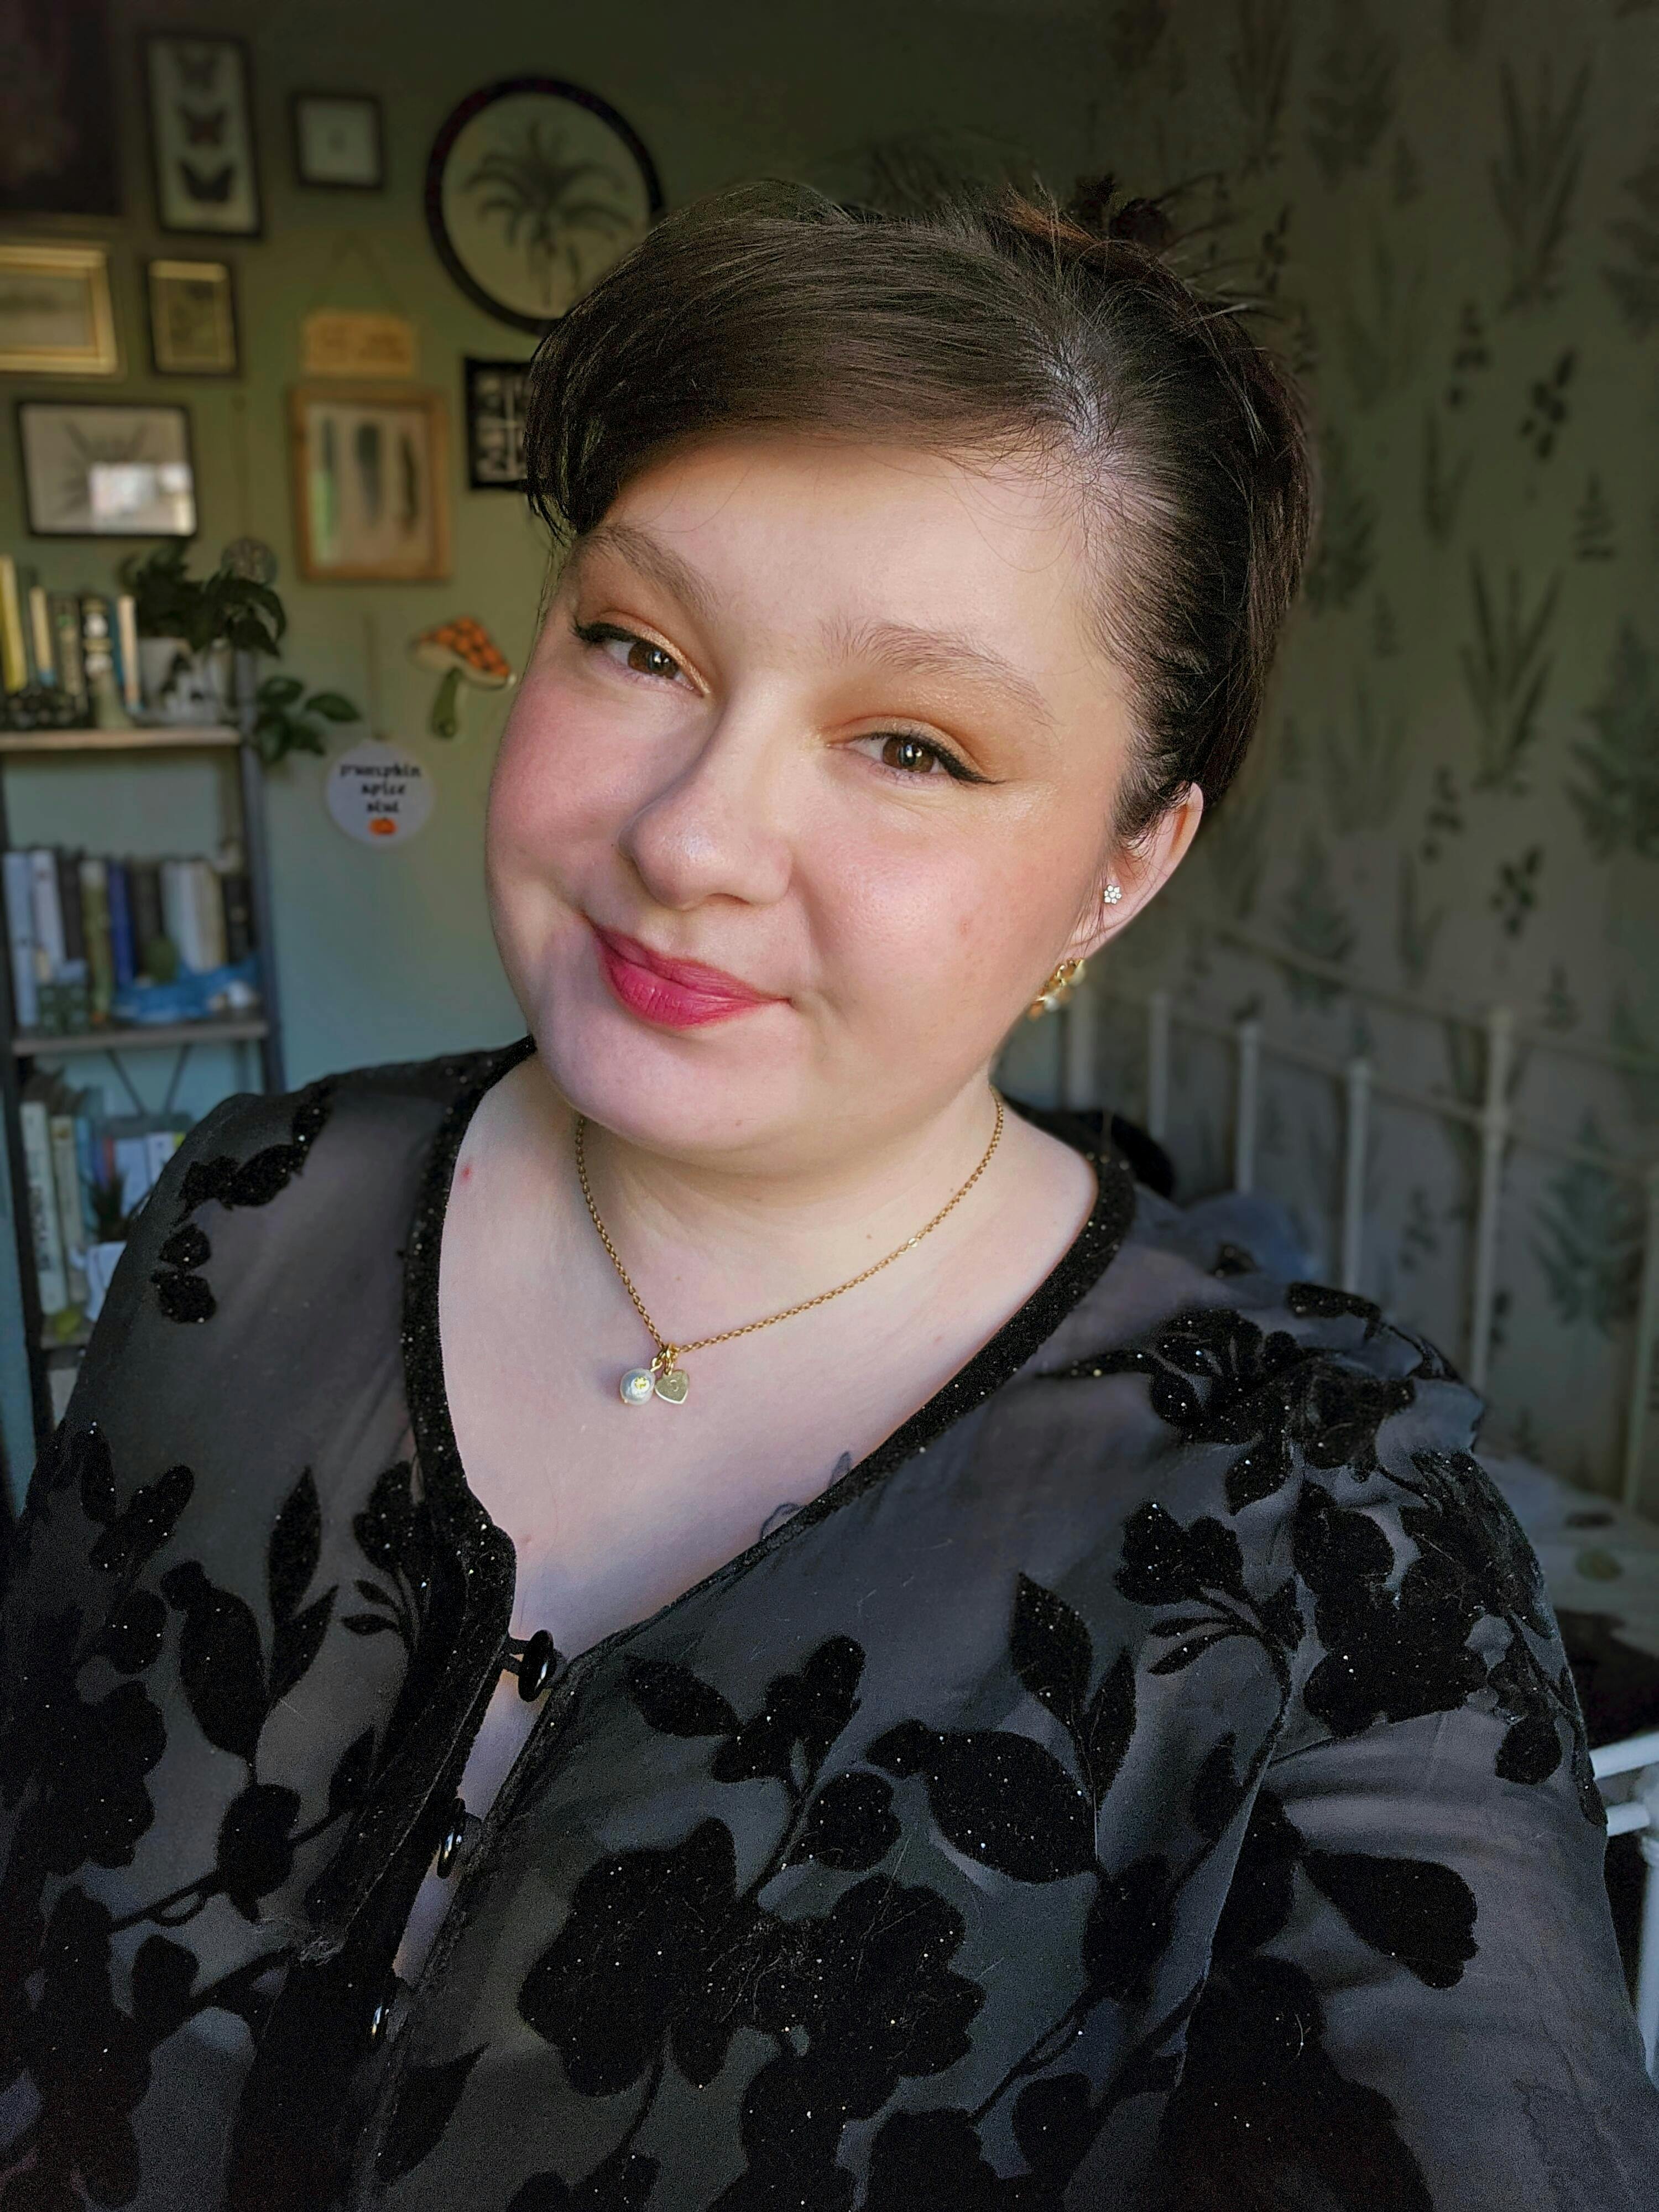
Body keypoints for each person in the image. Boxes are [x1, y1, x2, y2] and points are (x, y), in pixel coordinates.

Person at [2, 184, 1654, 2212]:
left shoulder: (1328, 1544)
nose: (694, 839)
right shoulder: (248, 1211)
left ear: (1127, 861)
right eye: (638, 645)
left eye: (913, 747)